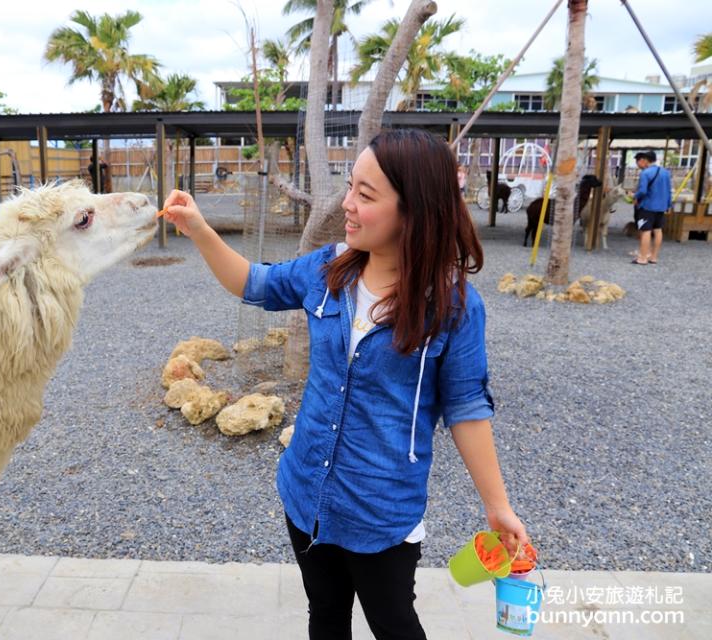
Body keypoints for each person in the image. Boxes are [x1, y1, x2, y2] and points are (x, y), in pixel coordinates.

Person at [161, 128, 529, 640]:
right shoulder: (328, 268)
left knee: (395, 625)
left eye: (366, 194)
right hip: (306, 491)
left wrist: (497, 506)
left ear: (415, 209)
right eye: (350, 186)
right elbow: (254, 282)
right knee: (326, 616)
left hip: (381, 512)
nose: (348, 205)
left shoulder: (454, 307)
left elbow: (467, 406)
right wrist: (199, 227)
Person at [631, 150, 671, 265]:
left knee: (646, 231)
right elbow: (669, 191)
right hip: (661, 207)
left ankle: (642, 258)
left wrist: (634, 196)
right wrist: (668, 205)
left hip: (648, 206)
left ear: (644, 160)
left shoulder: (645, 173)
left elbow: (643, 191)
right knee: (658, 230)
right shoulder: (665, 172)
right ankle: (654, 257)